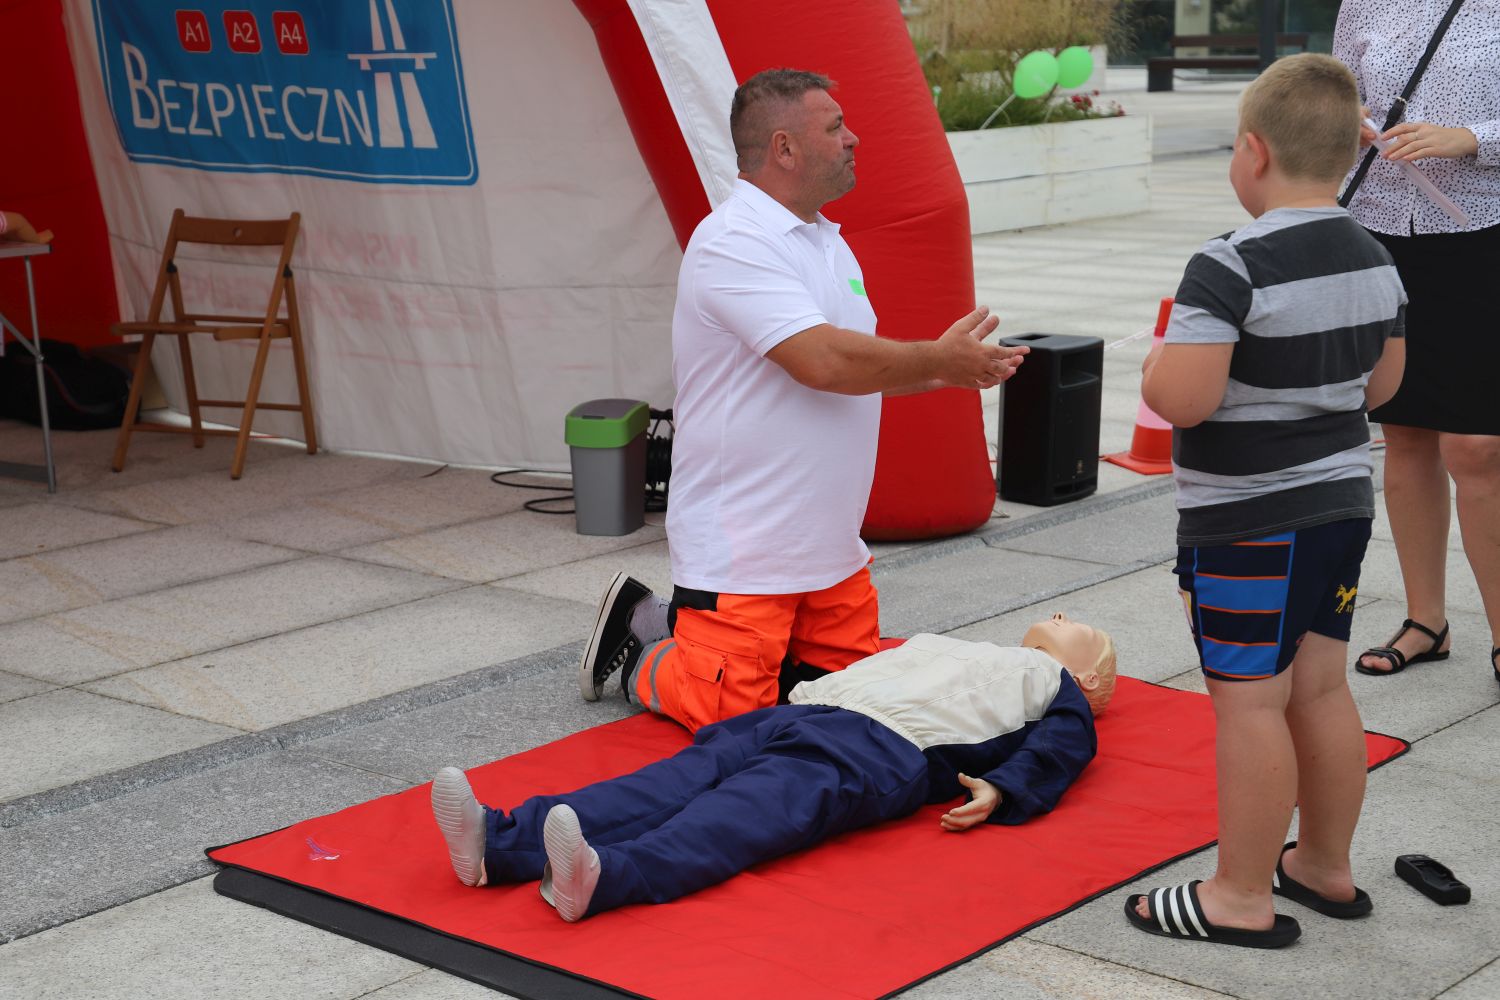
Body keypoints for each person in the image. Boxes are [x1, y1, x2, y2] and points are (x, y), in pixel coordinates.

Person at [577, 68, 1030, 733]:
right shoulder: (734, 242)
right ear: (785, 149)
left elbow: (856, 368)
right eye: (835, 127)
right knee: (731, 716)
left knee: (856, 709)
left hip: (829, 548)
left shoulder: (827, 240)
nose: (854, 138)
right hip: (744, 550)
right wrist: (937, 358)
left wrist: (949, 371)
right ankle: (644, 641)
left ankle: (734, 649)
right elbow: (820, 362)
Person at [1126, 54, 1407, 949]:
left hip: (1249, 523)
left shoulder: (1227, 265)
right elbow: (1385, 387)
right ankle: (1324, 863)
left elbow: (1185, 400)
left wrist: (1153, 364)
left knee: (1249, 701)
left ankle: (1238, 894)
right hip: (1341, 509)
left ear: (1252, 151)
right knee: (1320, 690)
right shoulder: (1375, 254)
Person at [432, 618, 1115, 921]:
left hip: (884, 746)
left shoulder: (1053, 682)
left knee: (740, 816)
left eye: (1081, 626)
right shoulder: (961, 643)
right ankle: (500, 841)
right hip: (809, 710)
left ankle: (608, 878)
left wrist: (1005, 787)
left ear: (1090, 677)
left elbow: (1065, 745)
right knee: (667, 784)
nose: (1059, 616)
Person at [1331, 1, 1500, 686]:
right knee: (1402, 433)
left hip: (1482, 230)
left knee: (1478, 446)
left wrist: (1472, 137)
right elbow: (1339, 97)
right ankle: (1426, 620)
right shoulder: (1367, 1)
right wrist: (1354, 127)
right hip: (1380, 229)